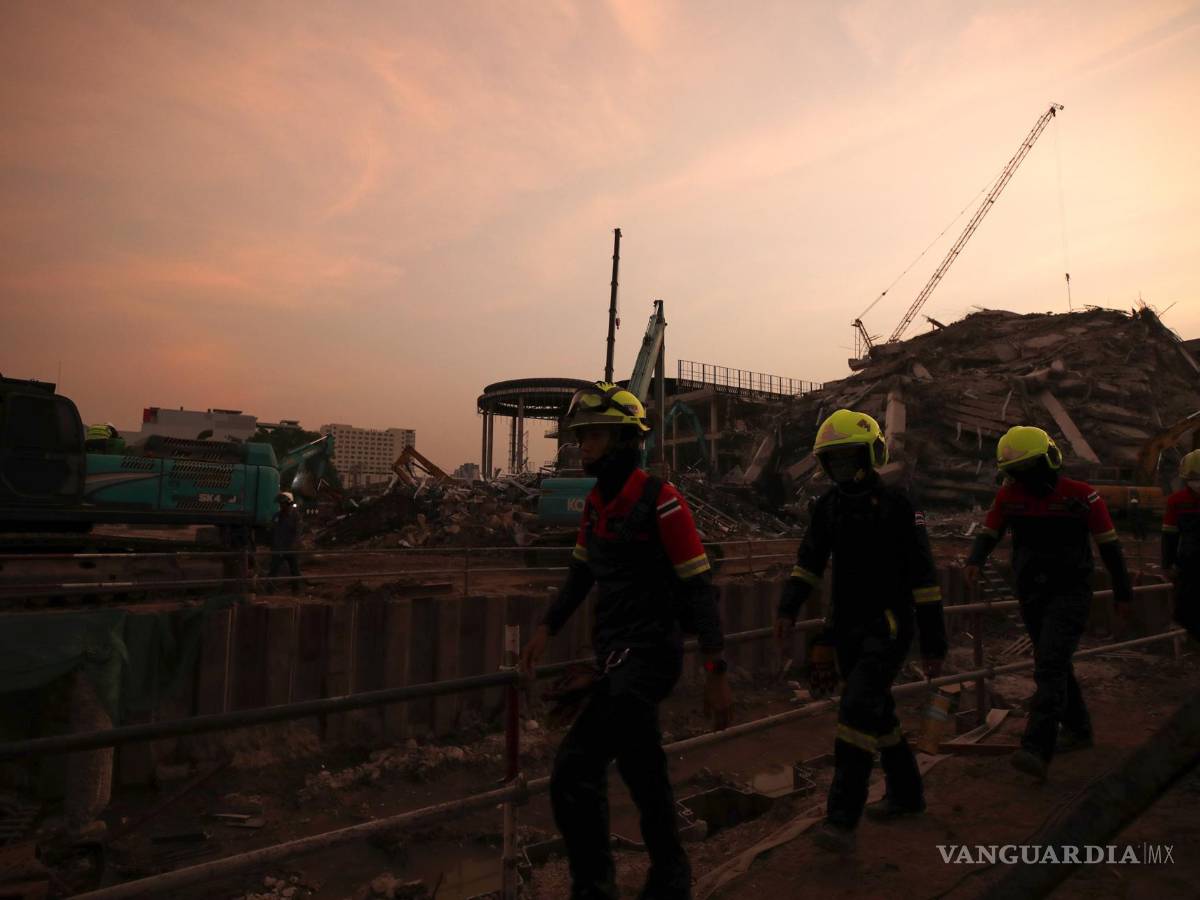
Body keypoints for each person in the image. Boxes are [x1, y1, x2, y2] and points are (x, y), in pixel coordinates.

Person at [519, 381, 731, 900]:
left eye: (592, 435)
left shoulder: (663, 502)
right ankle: (671, 877)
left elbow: (699, 588)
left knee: (573, 771)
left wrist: (714, 671)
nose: (582, 445)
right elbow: (579, 576)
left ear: (623, 440)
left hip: (651, 658)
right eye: (582, 436)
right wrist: (547, 628)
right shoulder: (594, 506)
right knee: (643, 770)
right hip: (614, 657)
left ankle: (594, 889)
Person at [774, 408, 946, 854]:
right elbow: (809, 562)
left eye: (848, 459)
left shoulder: (900, 505)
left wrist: (934, 643)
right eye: (833, 462)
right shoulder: (828, 508)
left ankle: (841, 819)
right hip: (847, 626)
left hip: (889, 626)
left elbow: (924, 579)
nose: (841, 470)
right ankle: (908, 795)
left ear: (870, 455)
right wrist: (787, 610)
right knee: (879, 714)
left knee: (854, 713)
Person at [965, 425, 1132, 781]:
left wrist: (1123, 593)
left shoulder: (1083, 496)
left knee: (1050, 665)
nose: (1025, 479)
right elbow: (989, 532)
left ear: (1049, 461)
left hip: (1071, 592)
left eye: (1030, 470)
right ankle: (1079, 728)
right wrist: (974, 561)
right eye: (1018, 473)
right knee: (1053, 663)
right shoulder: (1009, 498)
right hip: (1031, 592)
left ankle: (1037, 747)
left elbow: (1110, 549)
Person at [1162, 449, 1200, 640]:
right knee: (1185, 611)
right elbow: (1169, 535)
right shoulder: (1177, 501)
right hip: (1188, 565)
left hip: (1189, 561)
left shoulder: (1177, 501)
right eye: (1195, 477)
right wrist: (1167, 565)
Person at [268, 492, 302, 594]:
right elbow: (272, 530)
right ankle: (270, 590)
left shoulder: (296, 516)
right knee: (273, 570)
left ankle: (296, 591)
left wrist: (293, 545)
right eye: (280, 504)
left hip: (290, 548)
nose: (281, 505)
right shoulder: (277, 516)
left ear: (288, 504)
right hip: (279, 547)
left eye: (282, 503)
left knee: (294, 570)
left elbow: (298, 532)